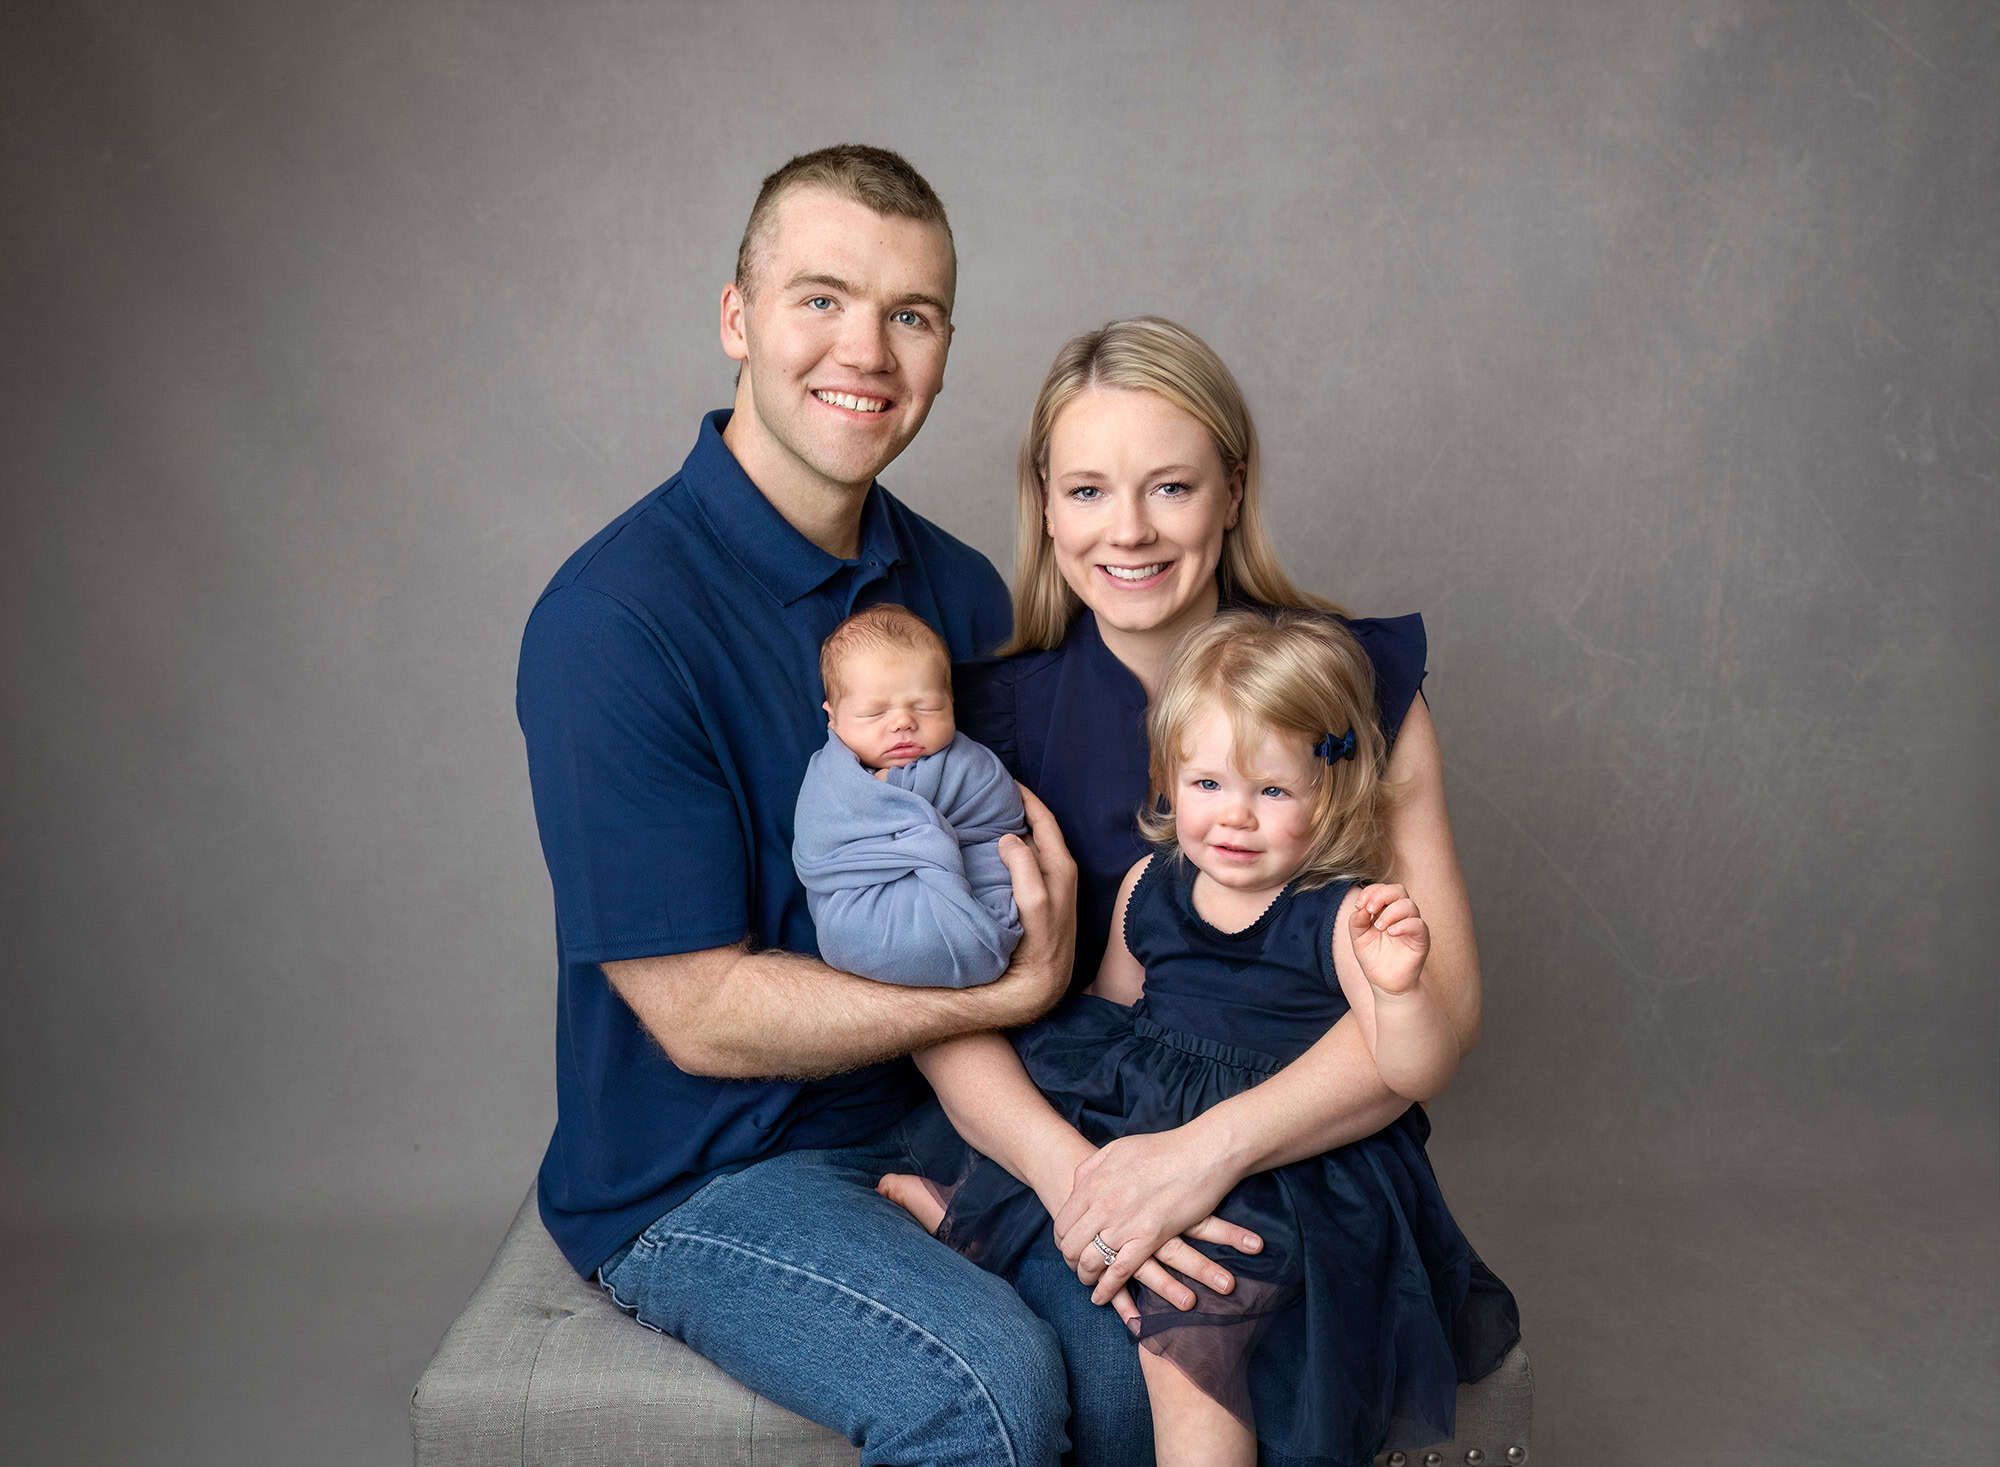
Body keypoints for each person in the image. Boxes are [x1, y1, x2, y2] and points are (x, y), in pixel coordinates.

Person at [515, 147, 1159, 1466]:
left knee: (1146, 1367)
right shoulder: (613, 622)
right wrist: (1006, 991)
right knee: (989, 1392)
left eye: (910, 314)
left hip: (948, 1110)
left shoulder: (962, 592)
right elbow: (699, 1012)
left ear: (943, 349)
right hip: (705, 1173)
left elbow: (1035, 875)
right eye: (820, 298)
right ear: (737, 318)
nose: (865, 351)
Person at [900, 316, 1509, 1465]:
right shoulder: (986, 722)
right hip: (1074, 1131)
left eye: (1169, 487)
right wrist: (1085, 1181)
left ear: (1231, 491)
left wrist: (1204, 1153)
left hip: (1290, 1138)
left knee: (1227, 1319)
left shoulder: (1346, 685)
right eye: (1086, 490)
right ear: (1043, 505)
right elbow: (942, 1014)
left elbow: (1445, 1010)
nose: (1126, 530)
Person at [793, 603, 1027, 988]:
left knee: (999, 893)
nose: (903, 722)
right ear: (833, 718)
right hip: (867, 894)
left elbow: (998, 813)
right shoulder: (828, 778)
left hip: (971, 884)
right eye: (874, 713)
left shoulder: (971, 764)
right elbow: (820, 848)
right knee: (841, 930)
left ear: (951, 703)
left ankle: (965, 944)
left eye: (927, 706)